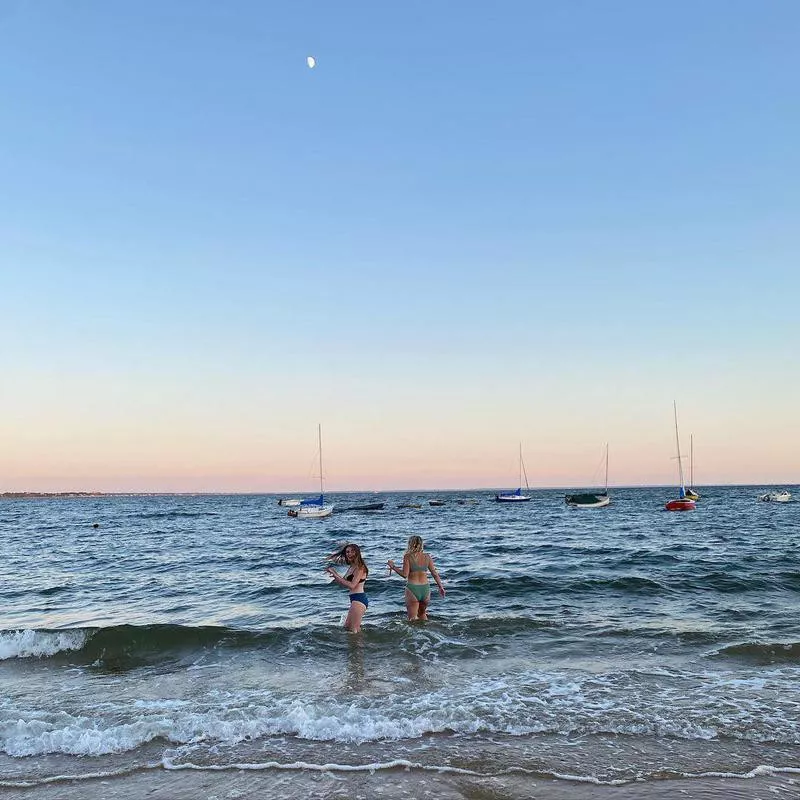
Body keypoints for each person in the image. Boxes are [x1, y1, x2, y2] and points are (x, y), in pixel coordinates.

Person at [387, 535, 445, 621]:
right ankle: (426, 633)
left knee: (412, 619)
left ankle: (414, 634)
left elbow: (405, 575)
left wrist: (393, 567)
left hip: (413, 589)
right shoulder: (427, 557)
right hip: (425, 589)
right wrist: (441, 586)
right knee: (422, 614)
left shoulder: (408, 556)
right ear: (421, 544)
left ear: (410, 544)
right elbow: (434, 574)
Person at [325, 542, 369, 633]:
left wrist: (336, 575)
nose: (349, 554)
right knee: (348, 628)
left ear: (357, 553)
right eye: (347, 552)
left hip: (359, 599)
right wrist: (334, 576)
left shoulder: (360, 567)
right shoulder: (352, 566)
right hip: (354, 599)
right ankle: (357, 646)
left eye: (352, 551)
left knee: (354, 630)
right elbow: (344, 582)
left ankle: (358, 647)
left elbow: (352, 585)